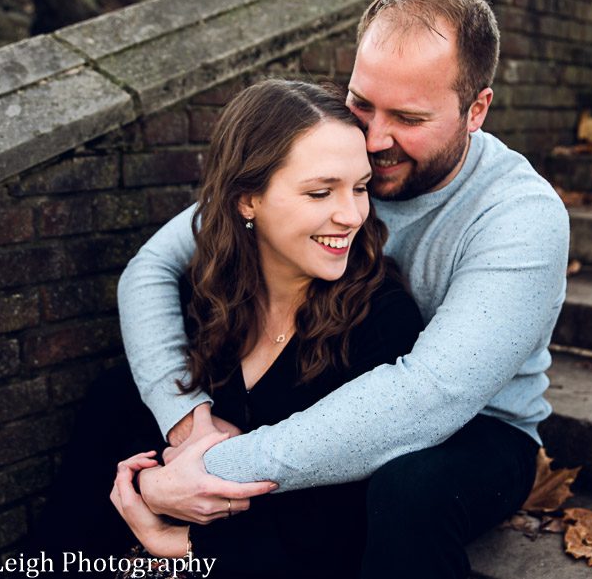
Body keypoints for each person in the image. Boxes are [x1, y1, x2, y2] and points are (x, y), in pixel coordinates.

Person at [117, 0, 570, 577]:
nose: (374, 140)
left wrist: (201, 474)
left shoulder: (519, 216)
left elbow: (428, 398)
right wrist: (188, 418)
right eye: (362, 103)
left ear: (476, 110)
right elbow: (152, 266)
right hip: (328, 377)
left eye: (408, 118)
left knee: (408, 492)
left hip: (479, 428)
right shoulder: (333, 153)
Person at [111, 79, 424, 578]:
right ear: (246, 200)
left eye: (361, 188)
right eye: (321, 192)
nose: (351, 215)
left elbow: (343, 535)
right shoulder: (209, 300)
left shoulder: (382, 324)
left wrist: (172, 540)